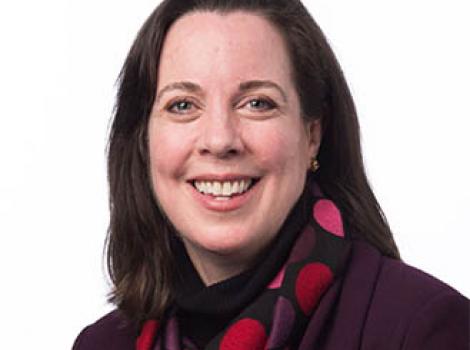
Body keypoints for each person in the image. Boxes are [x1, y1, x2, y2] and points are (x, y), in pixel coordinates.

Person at [72, 0, 469, 349]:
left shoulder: (420, 329)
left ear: (312, 135)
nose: (219, 139)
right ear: (143, 139)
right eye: (182, 105)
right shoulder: (104, 344)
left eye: (257, 103)